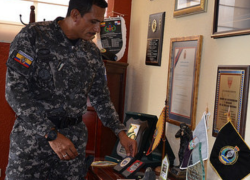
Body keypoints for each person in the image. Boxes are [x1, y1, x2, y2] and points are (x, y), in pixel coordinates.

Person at [4, 0, 137, 179]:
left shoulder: (91, 53)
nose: (98, 29)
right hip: (32, 141)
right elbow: (14, 91)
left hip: (72, 147)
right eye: (93, 21)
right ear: (75, 15)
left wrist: (120, 132)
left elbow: (102, 98)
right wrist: (51, 134)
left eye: (100, 23)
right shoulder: (34, 36)